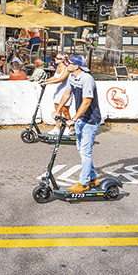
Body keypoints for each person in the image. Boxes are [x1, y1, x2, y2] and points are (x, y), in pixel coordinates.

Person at [56, 55, 102, 194]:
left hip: (91, 120)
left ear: (76, 66)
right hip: (81, 118)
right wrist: (57, 111)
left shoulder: (87, 79)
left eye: (69, 63)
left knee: (86, 152)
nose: (67, 64)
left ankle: (83, 183)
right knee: (81, 149)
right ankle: (93, 178)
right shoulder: (72, 77)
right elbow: (66, 94)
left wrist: (74, 119)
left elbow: (87, 102)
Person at [43, 54, 72, 135]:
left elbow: (61, 79)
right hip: (58, 90)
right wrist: (45, 80)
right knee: (57, 109)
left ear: (63, 60)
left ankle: (68, 128)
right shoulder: (58, 67)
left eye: (57, 58)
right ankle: (57, 127)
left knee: (65, 111)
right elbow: (55, 77)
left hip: (65, 90)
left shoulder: (66, 68)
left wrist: (48, 83)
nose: (55, 59)